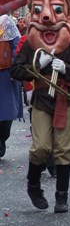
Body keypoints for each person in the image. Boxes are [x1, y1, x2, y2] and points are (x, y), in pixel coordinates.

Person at [11, 0, 70, 213]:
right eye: (39, 10)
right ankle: (33, 185)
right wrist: (36, 67)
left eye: (57, 9)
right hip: (42, 101)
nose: (47, 17)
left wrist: (67, 69)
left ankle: (61, 196)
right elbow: (16, 70)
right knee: (40, 148)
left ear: (67, 13)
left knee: (63, 151)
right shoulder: (30, 44)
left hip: (65, 100)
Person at [0, 15, 23, 158]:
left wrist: (16, 68)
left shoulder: (7, 22)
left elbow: (17, 46)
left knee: (7, 113)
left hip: (6, 75)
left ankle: (2, 138)